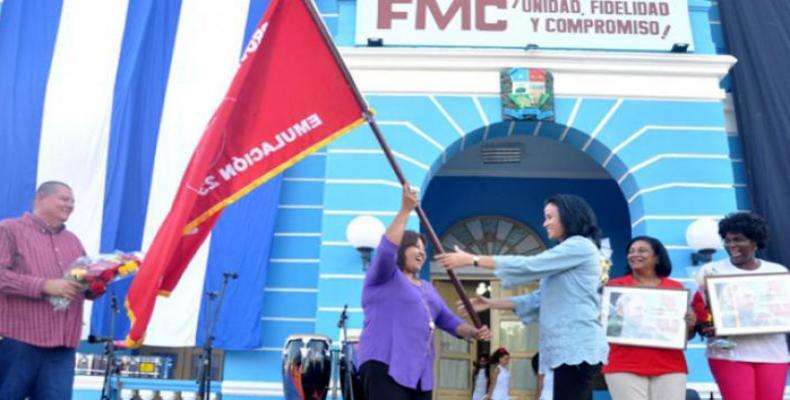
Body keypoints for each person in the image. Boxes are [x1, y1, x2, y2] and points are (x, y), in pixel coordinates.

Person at [437, 194, 609, 400]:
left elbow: (531, 265)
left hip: (577, 349)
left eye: (549, 217)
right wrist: (491, 303)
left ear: (568, 217)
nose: (545, 223)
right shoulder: (569, 252)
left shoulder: (579, 245)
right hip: (568, 351)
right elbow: (537, 299)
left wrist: (473, 259)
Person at [357, 184, 491, 400]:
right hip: (385, 365)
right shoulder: (385, 276)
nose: (421, 251)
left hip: (420, 374)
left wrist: (473, 332)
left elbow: (448, 320)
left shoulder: (427, 288)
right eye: (415, 246)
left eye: (423, 248)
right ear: (401, 249)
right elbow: (384, 251)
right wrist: (405, 210)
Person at [0, 181, 87, 399]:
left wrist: (97, 282)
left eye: (73, 201)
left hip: (61, 346)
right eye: (64, 199)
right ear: (40, 199)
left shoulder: (73, 242)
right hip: (18, 340)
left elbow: (80, 281)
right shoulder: (9, 229)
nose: (70, 205)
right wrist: (45, 286)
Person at [695, 212, 789, 400]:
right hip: (728, 355)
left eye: (738, 240)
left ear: (755, 241)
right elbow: (699, 310)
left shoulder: (777, 272)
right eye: (727, 240)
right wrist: (705, 326)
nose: (732, 246)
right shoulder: (710, 271)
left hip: (773, 353)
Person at [602, 236, 696, 400]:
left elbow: (684, 336)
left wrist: (691, 324)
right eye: (631, 251)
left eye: (642, 250)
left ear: (657, 257)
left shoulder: (674, 288)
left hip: (669, 365)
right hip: (624, 364)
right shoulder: (615, 288)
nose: (634, 254)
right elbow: (607, 329)